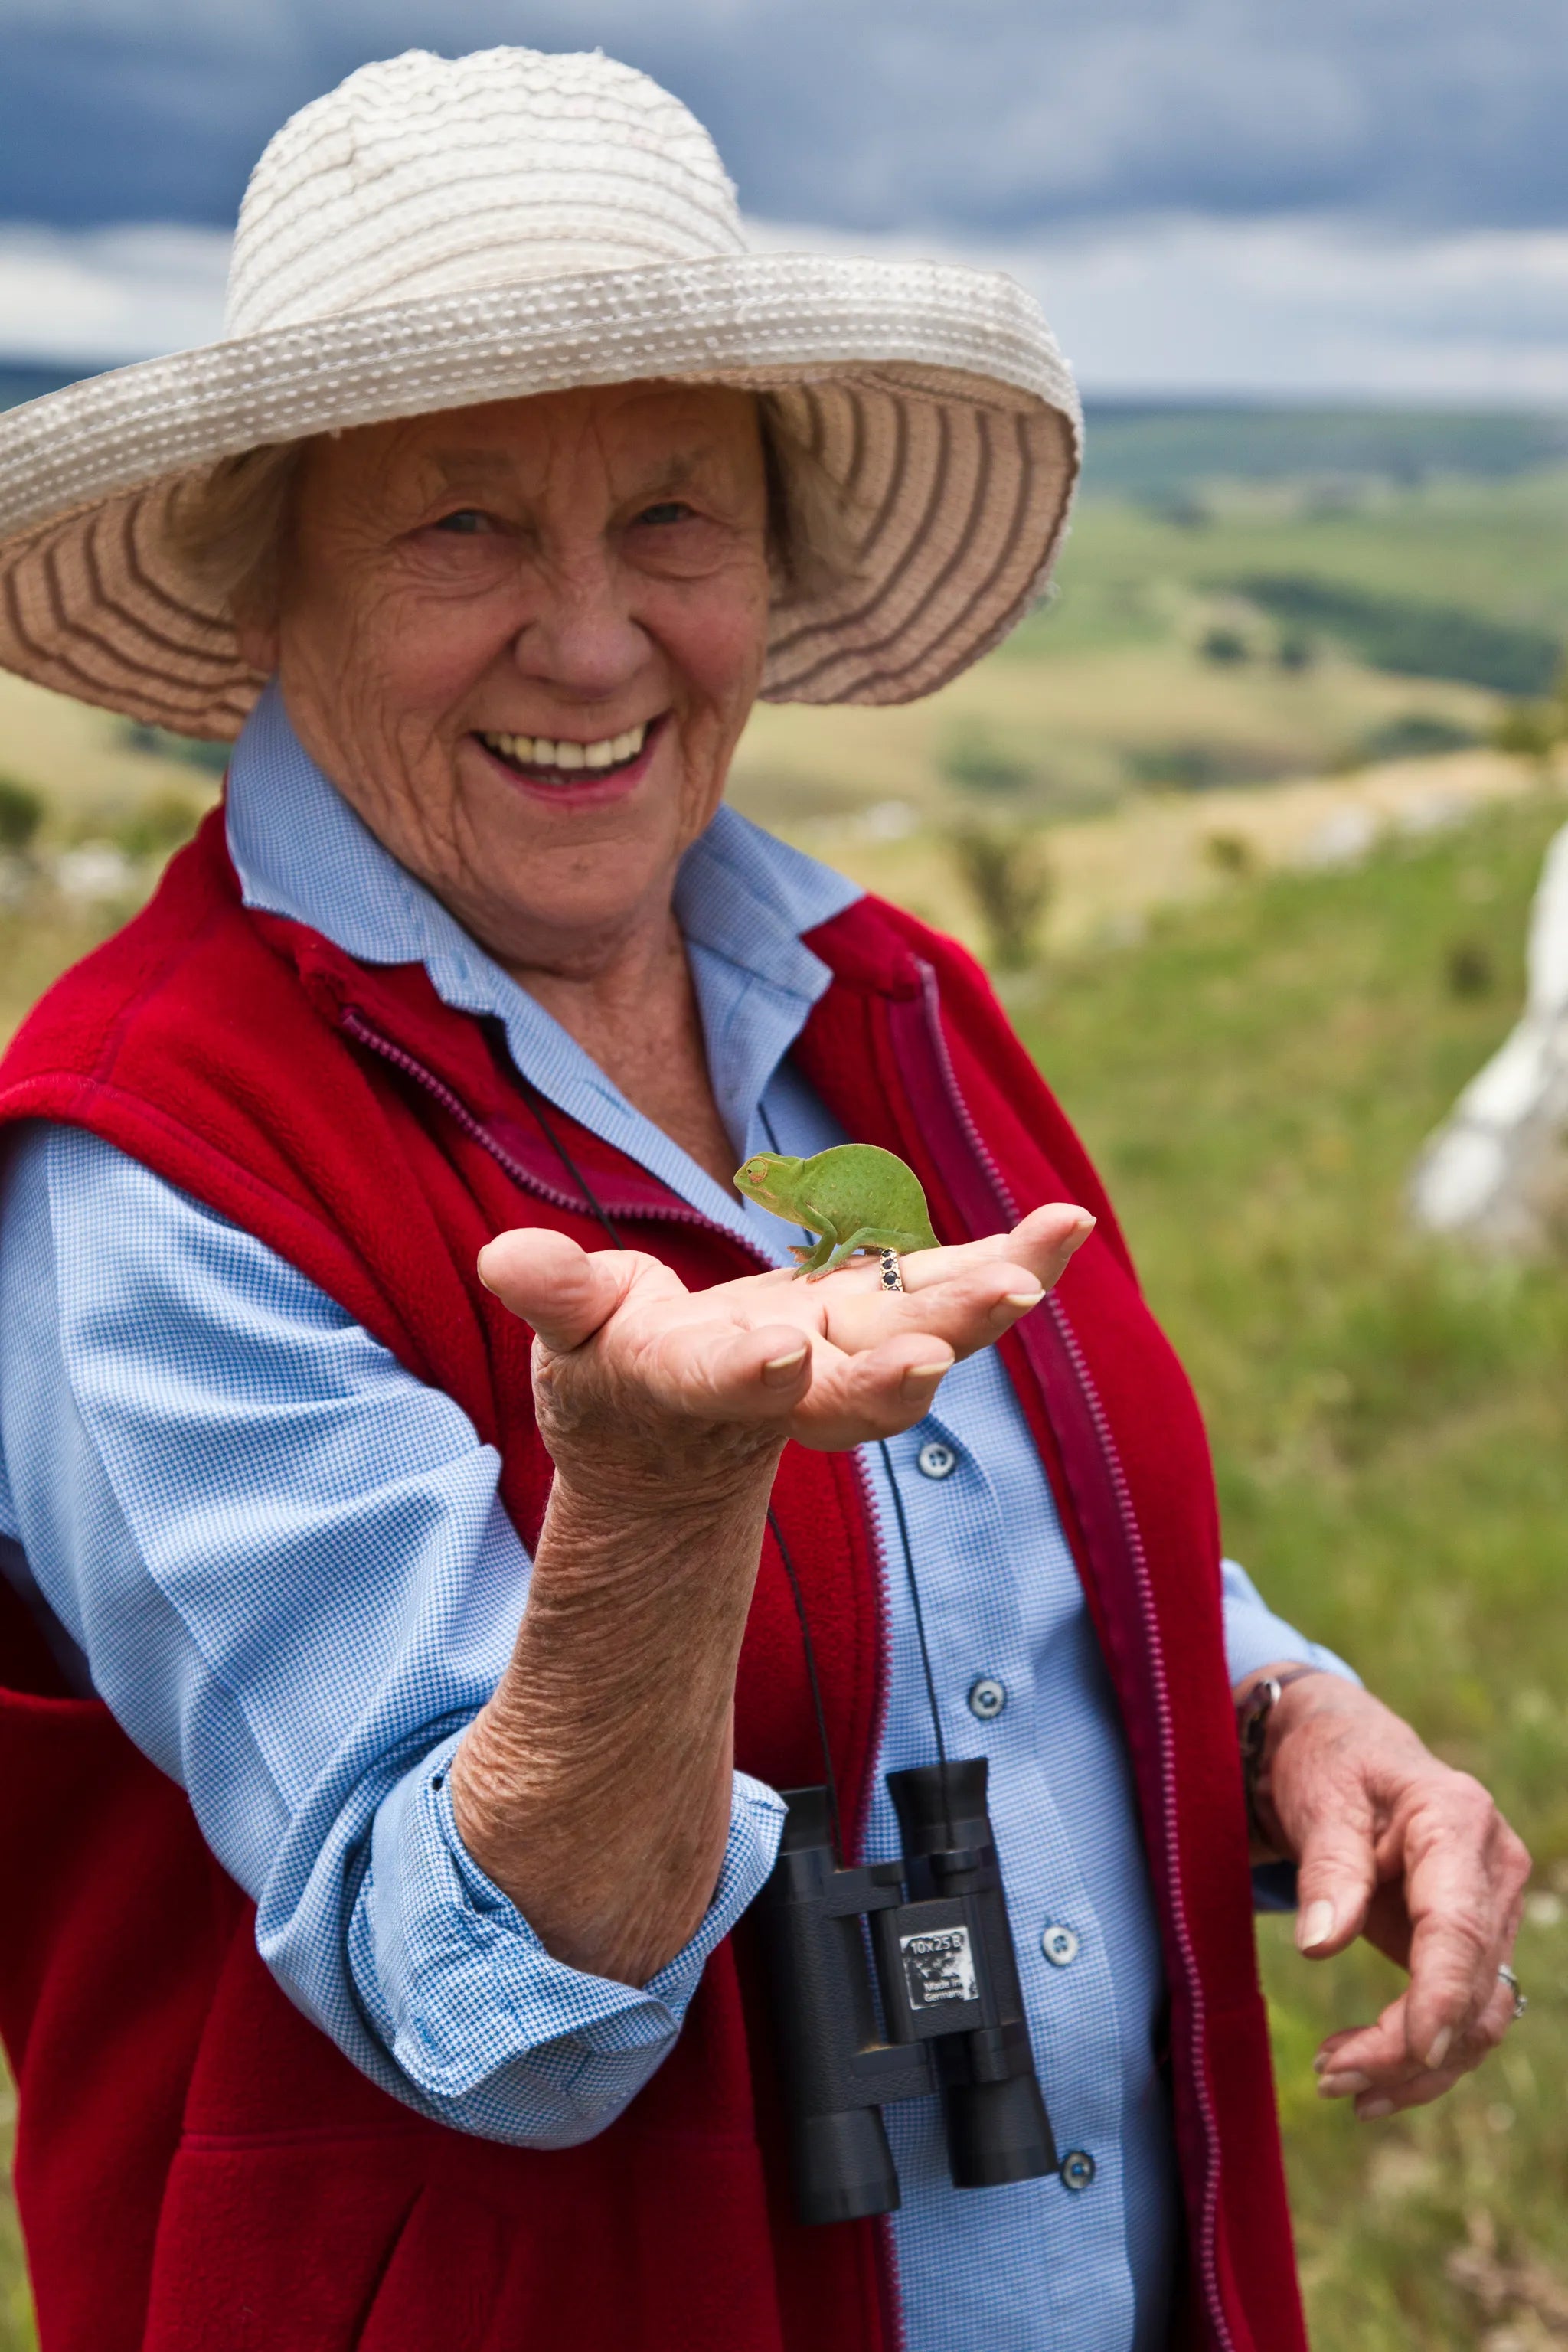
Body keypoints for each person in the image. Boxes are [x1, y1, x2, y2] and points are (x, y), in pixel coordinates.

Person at [0, 46, 1529, 2352]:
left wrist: (1278, 1709)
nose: (596, 642)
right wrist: (652, 1505)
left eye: (674, 521)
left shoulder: (876, 1000)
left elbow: (1008, 1533)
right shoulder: (144, 1167)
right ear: (262, 576)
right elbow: (487, 2012)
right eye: (462, 524)